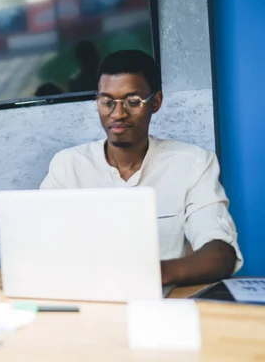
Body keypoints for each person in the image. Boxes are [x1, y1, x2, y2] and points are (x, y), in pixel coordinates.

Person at [41, 49, 242, 286]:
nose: (118, 113)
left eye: (133, 102)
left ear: (155, 102)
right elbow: (42, 242)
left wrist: (152, 275)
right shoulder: (68, 165)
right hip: (87, 299)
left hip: (164, 305)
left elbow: (221, 253)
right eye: (107, 102)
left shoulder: (193, 163)